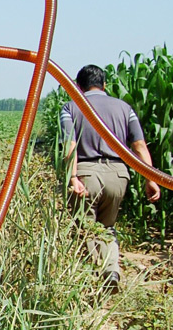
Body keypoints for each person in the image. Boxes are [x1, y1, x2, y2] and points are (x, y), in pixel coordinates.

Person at [60, 64, 160, 290]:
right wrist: (150, 179)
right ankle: (111, 271)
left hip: (86, 173)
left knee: (85, 228)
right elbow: (139, 145)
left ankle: (93, 278)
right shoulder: (125, 108)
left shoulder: (70, 107)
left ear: (78, 86)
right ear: (105, 85)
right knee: (107, 227)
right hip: (118, 175)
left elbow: (70, 146)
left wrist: (73, 177)